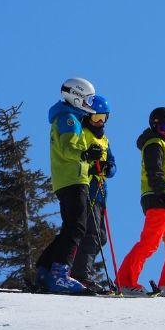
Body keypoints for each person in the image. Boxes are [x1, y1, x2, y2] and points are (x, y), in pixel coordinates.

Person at [114, 107, 165, 297]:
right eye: (164, 127)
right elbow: (154, 170)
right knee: (150, 242)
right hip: (157, 199)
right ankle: (125, 282)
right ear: (154, 126)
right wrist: (162, 192)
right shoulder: (153, 144)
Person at [34, 77, 103, 294]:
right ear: (76, 96)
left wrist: (89, 160)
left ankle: (45, 270)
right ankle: (60, 275)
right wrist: (85, 153)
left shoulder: (68, 117)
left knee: (71, 226)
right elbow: (67, 148)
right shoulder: (69, 119)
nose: (89, 105)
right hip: (73, 179)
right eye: (87, 99)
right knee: (77, 227)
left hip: (67, 178)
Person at [71, 95, 117, 293]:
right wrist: (90, 165)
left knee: (101, 237)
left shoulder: (104, 139)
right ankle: (80, 274)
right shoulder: (83, 133)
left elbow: (113, 164)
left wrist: (107, 169)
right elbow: (76, 157)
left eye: (103, 117)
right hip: (87, 189)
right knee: (92, 234)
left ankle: (79, 271)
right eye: (95, 117)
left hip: (100, 192)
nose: (99, 122)